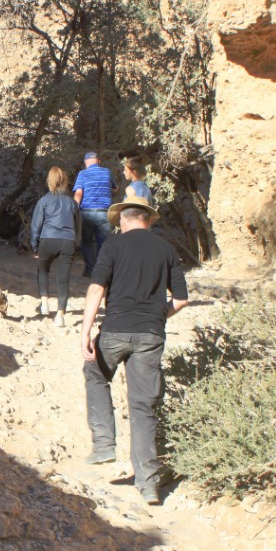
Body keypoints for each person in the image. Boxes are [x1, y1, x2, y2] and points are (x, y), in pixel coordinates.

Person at [80, 195, 188, 506]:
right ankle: (149, 485)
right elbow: (181, 300)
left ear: (123, 220)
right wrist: (156, 316)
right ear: (148, 219)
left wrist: (86, 330)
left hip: (114, 330)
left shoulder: (113, 246)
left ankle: (103, 445)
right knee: (143, 409)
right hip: (150, 335)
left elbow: (97, 287)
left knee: (95, 373)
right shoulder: (166, 249)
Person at [30, 166, 80, 328]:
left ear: (49, 181)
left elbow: (36, 225)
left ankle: (44, 303)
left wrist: (34, 245)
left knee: (43, 270)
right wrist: (76, 244)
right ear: (64, 181)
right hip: (68, 241)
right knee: (63, 278)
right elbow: (79, 226)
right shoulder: (72, 202)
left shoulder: (44, 200)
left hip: (48, 239)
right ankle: (60, 315)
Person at [73, 151, 116, 277]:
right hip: (104, 212)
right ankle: (103, 271)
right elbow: (116, 188)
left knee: (87, 241)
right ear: (98, 161)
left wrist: (75, 209)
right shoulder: (107, 172)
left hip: (87, 213)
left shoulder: (83, 173)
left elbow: (79, 193)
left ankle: (90, 269)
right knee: (103, 243)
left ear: (86, 163)